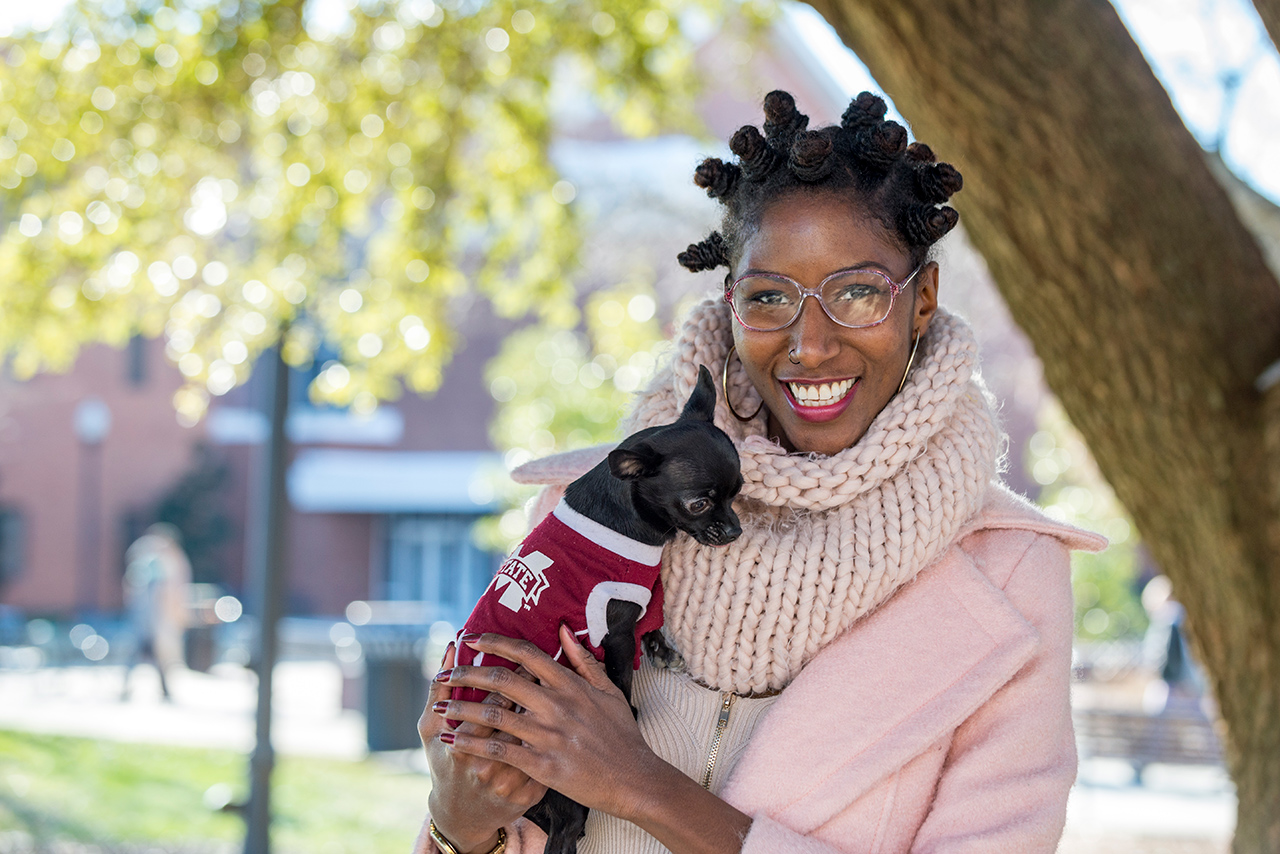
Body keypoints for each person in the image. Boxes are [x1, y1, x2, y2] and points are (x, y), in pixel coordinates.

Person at [415, 90, 1106, 854]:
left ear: (923, 301)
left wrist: (642, 787)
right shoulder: (589, 513)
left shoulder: (1010, 574)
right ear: (730, 301)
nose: (810, 345)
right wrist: (457, 828)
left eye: (857, 293)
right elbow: (480, 799)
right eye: (770, 296)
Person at [122, 523, 191, 701]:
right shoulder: (155, 564)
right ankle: (159, 689)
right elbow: (165, 593)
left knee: (147, 655)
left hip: (151, 619)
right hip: (152, 620)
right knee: (151, 654)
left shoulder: (154, 561)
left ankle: (156, 688)